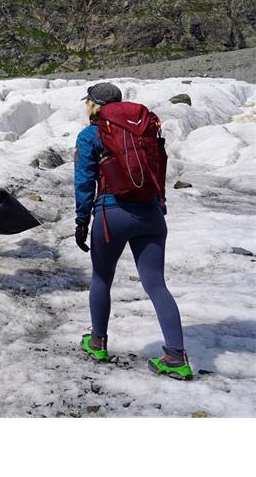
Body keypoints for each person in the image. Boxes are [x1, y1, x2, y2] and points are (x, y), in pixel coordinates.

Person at [74, 82, 191, 380]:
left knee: (102, 278)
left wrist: (81, 221)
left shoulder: (91, 134)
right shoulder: (145, 130)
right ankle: (176, 357)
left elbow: (84, 182)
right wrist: (158, 205)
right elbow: (158, 168)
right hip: (150, 213)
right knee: (156, 285)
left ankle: (97, 342)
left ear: (95, 104)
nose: (85, 105)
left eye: (87, 101)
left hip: (112, 213)